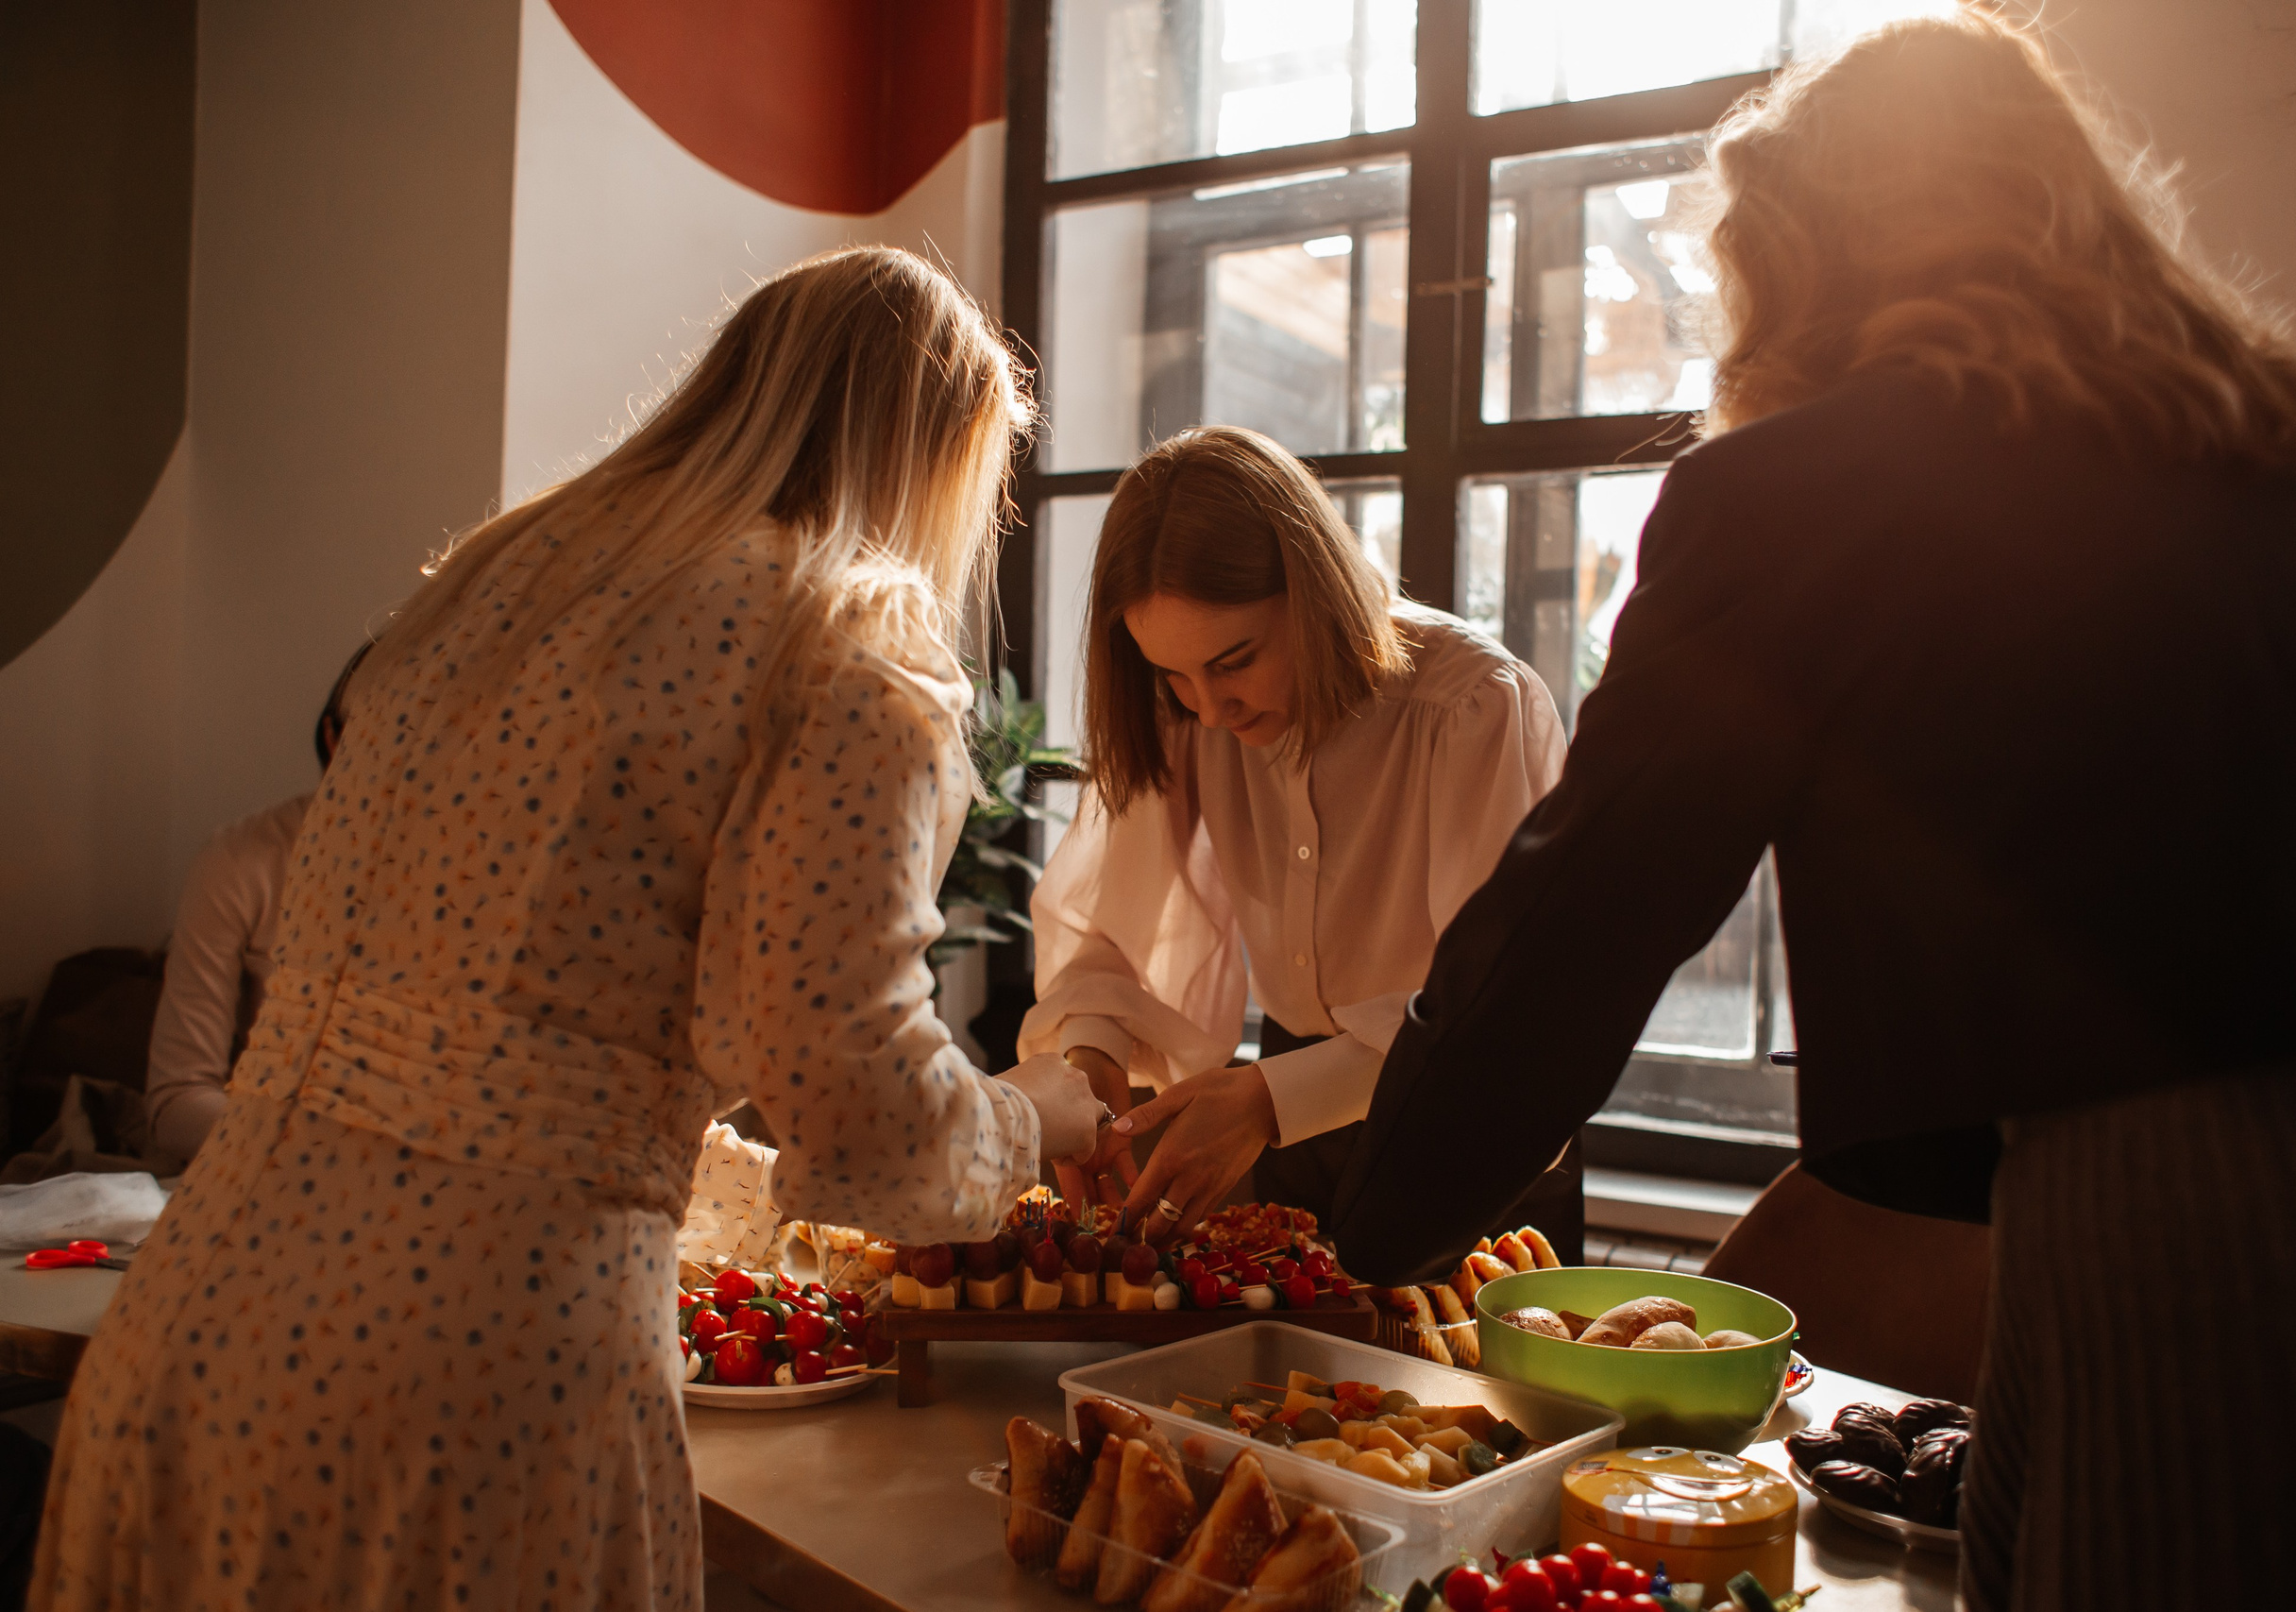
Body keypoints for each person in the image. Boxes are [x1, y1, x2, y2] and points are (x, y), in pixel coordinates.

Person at [1331, 16, 2296, 1611]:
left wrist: (1383, 1215)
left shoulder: (1807, 494)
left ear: (1803, 255)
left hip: (2182, 1217)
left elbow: (1587, 907)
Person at [32, 246, 1106, 1612]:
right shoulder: (844, 633)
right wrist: (1037, 1116)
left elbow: (523, 1064)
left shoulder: (500, 575)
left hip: (192, 1335)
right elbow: (860, 1112)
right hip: (470, 1376)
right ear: (928, 463)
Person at [1018, 426, 1575, 1250]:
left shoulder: (1472, 707)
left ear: (1313, 591)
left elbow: (1502, 1013)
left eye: (1235, 661)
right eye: (1172, 674)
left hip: (1472, 1123)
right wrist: (1093, 1060)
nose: (1209, 709)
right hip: (1292, 1121)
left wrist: (1270, 1099)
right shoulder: (1185, 712)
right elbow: (1111, 926)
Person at [144, 647, 370, 1167]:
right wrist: (310, 1152)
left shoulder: (491, 872)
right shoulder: (243, 862)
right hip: (275, 1172)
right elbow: (176, 1100)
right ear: (334, 740)